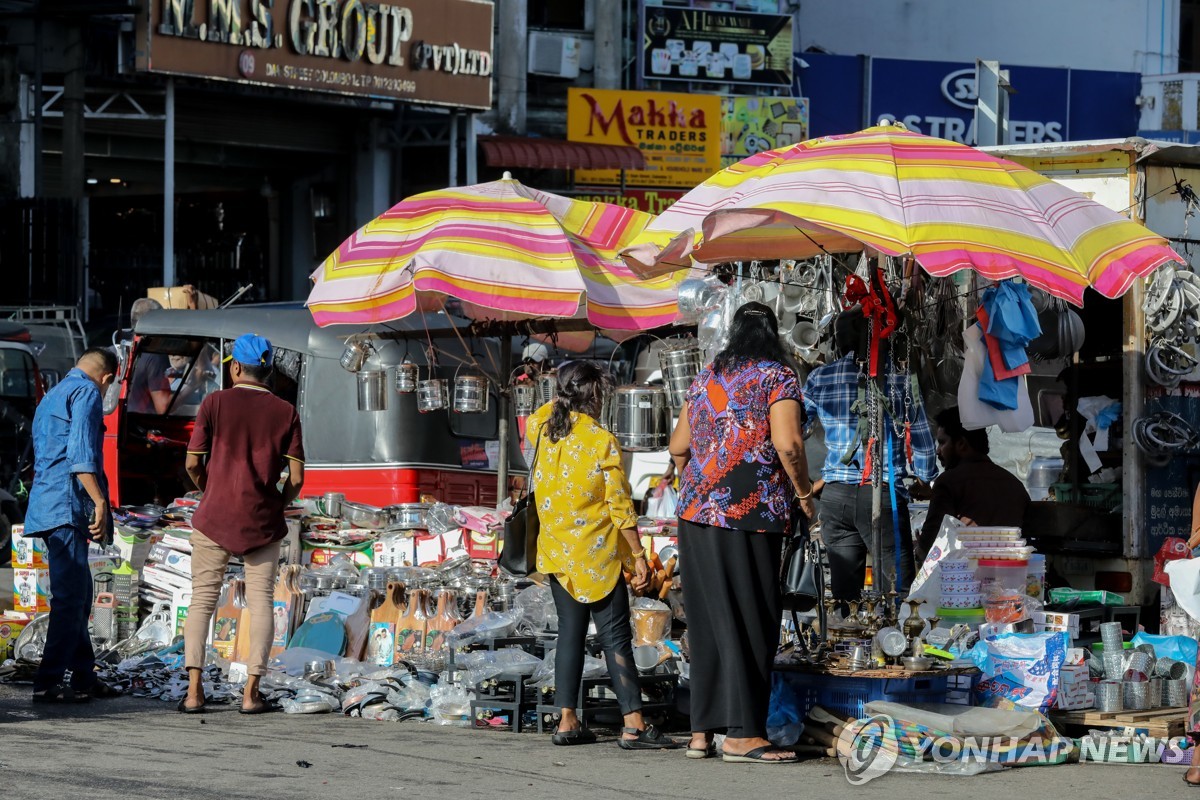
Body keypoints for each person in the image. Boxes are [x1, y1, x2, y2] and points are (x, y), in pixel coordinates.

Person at [669, 302, 814, 764]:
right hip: (750, 512)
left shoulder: (707, 375)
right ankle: (744, 733)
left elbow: (679, 446)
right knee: (753, 617)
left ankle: (701, 732)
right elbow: (789, 443)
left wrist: (691, 481)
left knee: (708, 619)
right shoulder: (778, 376)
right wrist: (805, 493)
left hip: (695, 511)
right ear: (774, 334)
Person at [525, 360, 679, 750]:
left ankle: (567, 721)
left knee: (570, 636)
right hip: (596, 557)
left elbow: (541, 412)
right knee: (615, 639)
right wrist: (639, 556)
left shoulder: (542, 430)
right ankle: (634, 725)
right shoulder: (599, 439)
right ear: (596, 397)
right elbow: (620, 507)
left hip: (557, 554)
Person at [180, 334, 305, 714]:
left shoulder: (214, 402)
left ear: (235, 367)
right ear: (267, 371)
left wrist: (210, 489)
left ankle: (193, 692)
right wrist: (275, 503)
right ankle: (251, 694)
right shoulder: (285, 412)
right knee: (262, 602)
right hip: (262, 522)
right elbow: (297, 479)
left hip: (213, 518)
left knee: (202, 601)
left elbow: (191, 464)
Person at [803, 310, 937, 602]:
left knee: (844, 594)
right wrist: (926, 478)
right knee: (895, 590)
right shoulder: (900, 379)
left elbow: (797, 428)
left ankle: (846, 641)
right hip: (881, 495)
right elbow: (924, 441)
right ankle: (893, 641)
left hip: (835, 496)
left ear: (839, 342)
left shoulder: (819, 377)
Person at [24, 349, 118, 702]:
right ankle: (48, 681)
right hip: (65, 505)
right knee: (70, 598)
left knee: (78, 594)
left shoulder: (54, 393)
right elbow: (81, 457)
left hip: (48, 505)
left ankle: (82, 676)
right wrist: (100, 502)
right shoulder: (88, 392)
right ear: (107, 378)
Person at [916, 406, 1031, 564]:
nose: (938, 451)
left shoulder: (948, 482)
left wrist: (920, 549)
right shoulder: (1015, 485)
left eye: (942, 443)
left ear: (962, 444)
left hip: (965, 579)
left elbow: (930, 544)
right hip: (1012, 577)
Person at [125, 298, 171, 415]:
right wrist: (193, 384)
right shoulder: (155, 356)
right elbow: (163, 407)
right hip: (143, 427)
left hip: (118, 426)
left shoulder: (116, 351)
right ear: (154, 323)